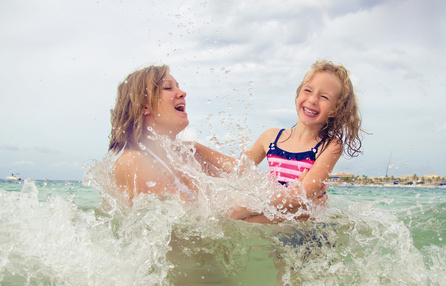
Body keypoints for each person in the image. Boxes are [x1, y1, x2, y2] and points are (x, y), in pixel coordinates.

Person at [107, 64, 327, 218]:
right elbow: (193, 229)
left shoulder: (186, 153)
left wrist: (299, 192)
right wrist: (293, 213)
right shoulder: (134, 162)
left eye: (178, 86)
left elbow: (244, 177)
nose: (182, 93)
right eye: (168, 87)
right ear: (143, 106)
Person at [195, 59, 362, 222]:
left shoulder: (330, 145)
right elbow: (239, 169)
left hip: (307, 232)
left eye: (324, 97)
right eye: (308, 90)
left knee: (236, 219)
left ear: (336, 109)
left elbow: (305, 193)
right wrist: (196, 147)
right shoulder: (271, 138)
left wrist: (248, 208)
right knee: (237, 221)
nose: (312, 100)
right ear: (298, 93)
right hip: (281, 218)